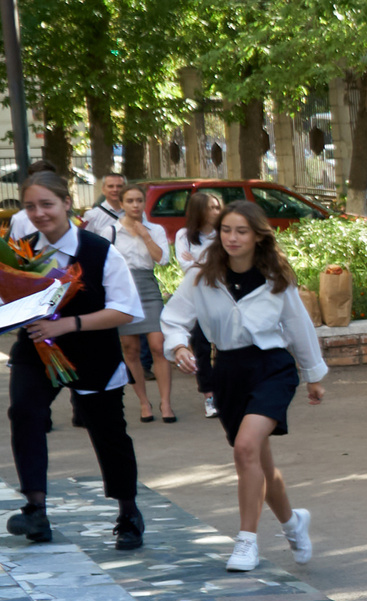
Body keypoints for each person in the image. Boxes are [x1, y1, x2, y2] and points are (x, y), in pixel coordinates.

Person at [161, 201, 327, 573]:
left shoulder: (276, 276)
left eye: (241, 231)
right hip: (229, 370)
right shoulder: (202, 275)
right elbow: (173, 319)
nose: (232, 238)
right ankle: (292, 523)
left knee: (245, 448)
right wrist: (180, 346)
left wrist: (313, 375)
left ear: (256, 236)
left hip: (272, 366)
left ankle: (246, 543)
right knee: (257, 461)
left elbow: (298, 325)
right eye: (226, 230)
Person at [3, 171, 145, 551]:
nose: (39, 213)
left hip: (92, 353)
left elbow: (125, 311)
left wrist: (70, 324)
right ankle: (35, 508)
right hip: (36, 351)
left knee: (107, 431)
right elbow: (6, 302)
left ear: (67, 203)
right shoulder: (22, 250)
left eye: (47, 204)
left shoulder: (100, 251)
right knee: (25, 413)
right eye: (30, 206)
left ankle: (128, 513)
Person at [112, 185, 175, 425]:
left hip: (148, 287)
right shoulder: (112, 230)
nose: (135, 205)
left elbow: (162, 259)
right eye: (130, 201)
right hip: (123, 289)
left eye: (139, 200)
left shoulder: (155, 229)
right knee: (130, 349)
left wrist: (146, 236)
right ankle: (144, 402)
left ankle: (165, 402)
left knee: (158, 345)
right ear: (122, 203)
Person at [175, 189, 225, 419]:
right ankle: (209, 396)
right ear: (199, 211)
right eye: (211, 207)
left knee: (226, 347)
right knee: (202, 348)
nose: (217, 211)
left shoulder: (224, 234)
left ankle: (230, 391)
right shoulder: (184, 235)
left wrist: (199, 262)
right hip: (197, 300)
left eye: (218, 206)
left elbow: (226, 268)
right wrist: (205, 265)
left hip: (224, 298)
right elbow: (189, 269)